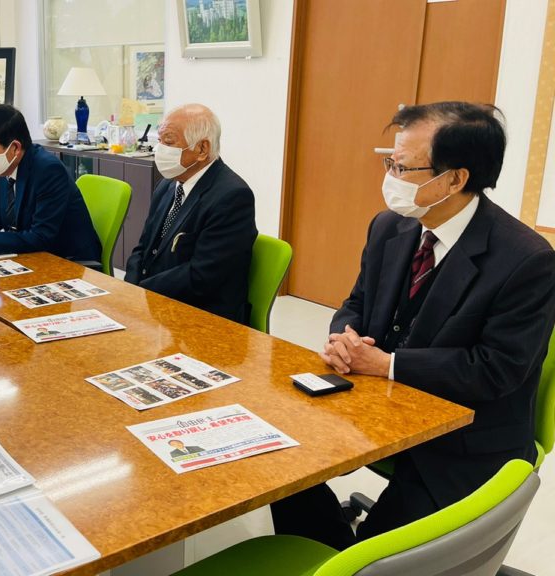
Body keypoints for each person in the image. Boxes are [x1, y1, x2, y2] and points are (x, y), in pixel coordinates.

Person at [271, 102, 555, 549]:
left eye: (403, 168)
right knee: (278, 459)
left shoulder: (526, 260)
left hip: (463, 436)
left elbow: (496, 368)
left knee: (379, 558)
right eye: (390, 163)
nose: (391, 178)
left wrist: (387, 364)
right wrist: (345, 337)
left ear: (455, 179)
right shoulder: (390, 226)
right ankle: (326, 549)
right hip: (378, 405)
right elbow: (356, 302)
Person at [125, 103, 256, 324]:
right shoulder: (168, 185)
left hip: (203, 315)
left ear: (202, 149)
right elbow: (143, 247)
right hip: (157, 303)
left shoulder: (232, 196)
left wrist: (142, 292)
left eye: (168, 142)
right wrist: (129, 288)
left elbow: (202, 275)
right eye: (159, 141)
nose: (159, 150)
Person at [0, 104, 101, 262]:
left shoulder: (48, 170)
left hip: (68, 260)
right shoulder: (2, 166)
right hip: (31, 255)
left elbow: (41, 236)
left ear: (15, 148)